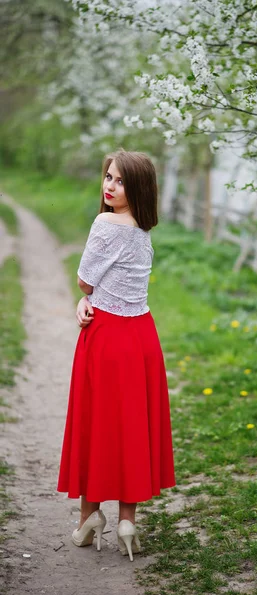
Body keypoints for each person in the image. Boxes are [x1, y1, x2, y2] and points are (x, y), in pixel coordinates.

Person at [57, 149, 176, 562]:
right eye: (108, 177)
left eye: (121, 181)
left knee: (97, 421)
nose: (109, 186)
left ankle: (89, 520)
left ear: (138, 187)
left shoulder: (105, 224)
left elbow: (85, 280)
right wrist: (86, 299)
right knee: (131, 424)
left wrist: (81, 299)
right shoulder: (143, 229)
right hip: (142, 336)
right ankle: (128, 520)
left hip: (106, 335)